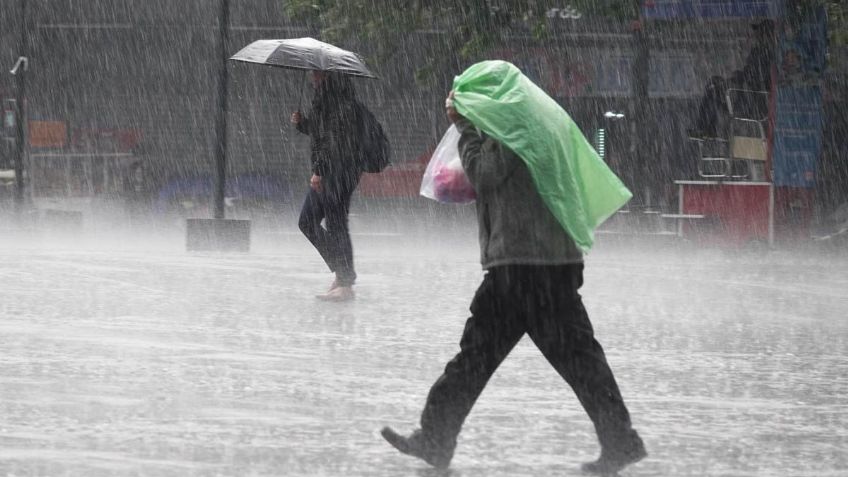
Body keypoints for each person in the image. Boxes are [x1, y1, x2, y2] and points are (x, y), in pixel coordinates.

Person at [380, 91, 646, 475]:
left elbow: (485, 176)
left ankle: (435, 439)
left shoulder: (512, 131)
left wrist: (465, 129)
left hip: (522, 268)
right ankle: (620, 441)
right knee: (579, 360)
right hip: (550, 265)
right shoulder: (543, 130)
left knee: (476, 357)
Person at [291, 71, 364, 302]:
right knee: (312, 221)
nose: (311, 75)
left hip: (337, 171)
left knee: (334, 223)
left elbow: (334, 140)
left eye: (315, 72)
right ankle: (343, 274)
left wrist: (319, 171)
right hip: (337, 170)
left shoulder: (337, 100)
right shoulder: (326, 97)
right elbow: (321, 131)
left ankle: (344, 279)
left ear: (326, 74)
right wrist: (303, 124)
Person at [689, 19, 775, 138]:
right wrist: (739, 75)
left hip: (749, 100)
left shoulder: (764, 53)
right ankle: (706, 128)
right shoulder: (763, 52)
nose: (756, 36)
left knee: (714, 89)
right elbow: (752, 74)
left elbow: (754, 78)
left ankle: (705, 128)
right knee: (714, 82)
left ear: (765, 35)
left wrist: (738, 77)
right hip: (746, 95)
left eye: (759, 33)